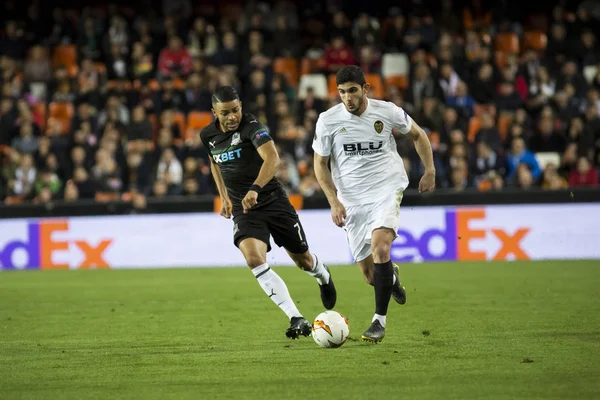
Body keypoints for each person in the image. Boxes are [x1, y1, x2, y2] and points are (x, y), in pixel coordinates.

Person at [200, 86, 336, 339]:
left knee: (303, 261)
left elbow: (273, 159)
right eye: (225, 113)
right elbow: (214, 162)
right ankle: (296, 317)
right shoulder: (207, 134)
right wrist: (224, 196)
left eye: (236, 110)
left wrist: (255, 189)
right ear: (214, 112)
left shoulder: (252, 126)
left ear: (241, 106)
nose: (232, 117)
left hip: (273, 201)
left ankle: (322, 274)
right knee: (253, 258)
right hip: (244, 208)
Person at [312, 66, 436, 343]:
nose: (348, 98)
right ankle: (390, 279)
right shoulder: (327, 121)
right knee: (371, 276)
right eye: (342, 92)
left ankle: (378, 321)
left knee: (381, 248)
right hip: (351, 200)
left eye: (353, 91)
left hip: (385, 188)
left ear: (365, 89)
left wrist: (429, 171)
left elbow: (419, 135)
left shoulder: (387, 111)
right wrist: (333, 200)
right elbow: (319, 164)